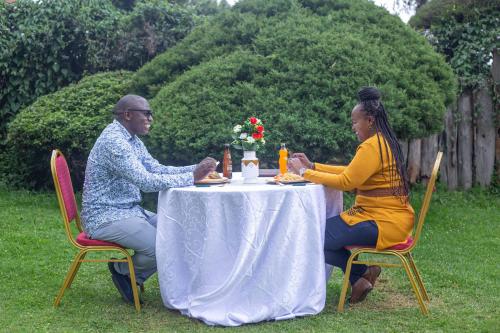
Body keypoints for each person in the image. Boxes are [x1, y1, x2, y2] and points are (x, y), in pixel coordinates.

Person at [81, 94, 217, 305]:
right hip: (105, 216)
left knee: (177, 230)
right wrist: (192, 177)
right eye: (146, 113)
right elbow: (145, 181)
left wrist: (196, 169)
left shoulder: (131, 140)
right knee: (161, 245)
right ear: (127, 114)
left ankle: (140, 276)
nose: (151, 118)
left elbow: (156, 169)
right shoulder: (114, 142)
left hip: (130, 211)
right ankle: (122, 270)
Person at [288, 87, 414, 304]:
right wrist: (313, 165)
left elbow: (347, 182)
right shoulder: (381, 142)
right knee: (319, 236)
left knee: (314, 237)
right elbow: (351, 172)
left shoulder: (371, 147)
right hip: (387, 218)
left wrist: (303, 172)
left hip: (382, 221)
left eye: (356, 122)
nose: (353, 127)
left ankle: (361, 275)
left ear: (370, 121)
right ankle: (362, 275)